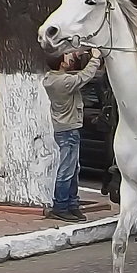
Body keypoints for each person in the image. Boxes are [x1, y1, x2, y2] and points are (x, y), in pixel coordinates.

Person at [43, 48, 103, 222]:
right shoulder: (64, 82)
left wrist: (76, 55)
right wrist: (95, 58)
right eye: (67, 58)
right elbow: (85, 76)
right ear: (62, 63)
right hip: (68, 129)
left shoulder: (50, 78)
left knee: (73, 169)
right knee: (66, 171)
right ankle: (60, 206)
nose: (70, 59)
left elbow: (73, 73)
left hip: (64, 128)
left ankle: (72, 203)